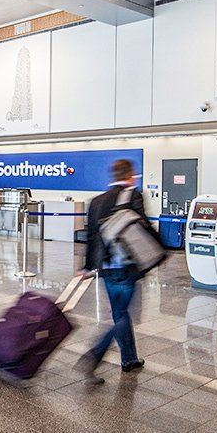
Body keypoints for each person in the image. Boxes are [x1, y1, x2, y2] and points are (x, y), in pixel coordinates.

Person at [74, 159, 146, 384]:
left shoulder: (96, 202)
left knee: (119, 313)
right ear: (130, 176)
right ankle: (95, 355)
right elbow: (142, 230)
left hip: (106, 268)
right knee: (122, 315)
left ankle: (129, 358)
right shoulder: (133, 196)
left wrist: (87, 267)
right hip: (126, 267)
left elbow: (92, 237)